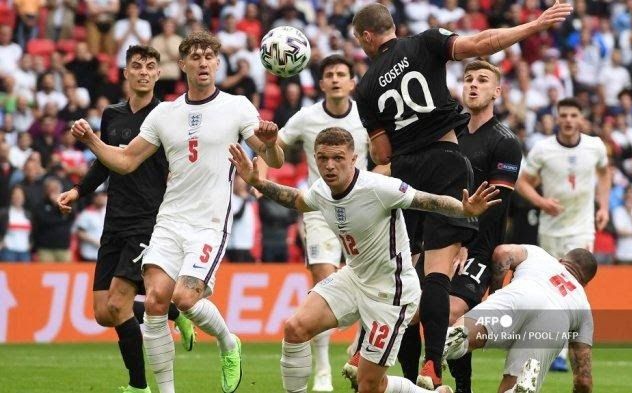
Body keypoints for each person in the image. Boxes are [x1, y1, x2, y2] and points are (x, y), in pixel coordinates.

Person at [351, 1, 573, 388]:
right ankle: (431, 368)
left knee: (408, 279)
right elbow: (483, 42)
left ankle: (377, 358)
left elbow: (382, 154)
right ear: (391, 26)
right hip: (444, 161)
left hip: (404, 174)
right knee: (436, 275)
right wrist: (533, 26)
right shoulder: (425, 42)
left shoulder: (366, 86)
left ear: (366, 36)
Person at [70, 31, 285, 393]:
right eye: (195, 57)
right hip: (169, 220)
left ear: (218, 63)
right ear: (182, 64)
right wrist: (92, 140)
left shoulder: (238, 106)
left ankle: (228, 341)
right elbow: (124, 161)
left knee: (184, 299)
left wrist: (271, 142)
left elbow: (273, 161)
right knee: (155, 303)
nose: (202, 62)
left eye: (209, 56)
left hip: (210, 223)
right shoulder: (166, 114)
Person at [229, 127, 500, 393]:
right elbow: (297, 200)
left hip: (390, 292)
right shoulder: (322, 190)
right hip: (354, 277)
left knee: (369, 385)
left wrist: (464, 210)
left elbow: (427, 201)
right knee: (295, 328)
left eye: (338, 158)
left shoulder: (378, 188)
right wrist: (258, 182)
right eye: (322, 158)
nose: (330, 166)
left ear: (354, 158)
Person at [56, 45, 195, 393]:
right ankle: (174, 314)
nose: (144, 72)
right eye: (137, 66)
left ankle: (138, 386)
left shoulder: (166, 117)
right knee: (104, 312)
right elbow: (104, 160)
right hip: (114, 220)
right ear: (126, 73)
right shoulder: (112, 115)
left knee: (119, 303)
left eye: (151, 66)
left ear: (159, 73)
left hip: (148, 220)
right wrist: (77, 191)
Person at [276, 54, 370, 392]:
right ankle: (323, 370)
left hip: (364, 210)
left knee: (369, 283)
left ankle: (359, 348)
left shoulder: (366, 114)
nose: (334, 79)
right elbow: (276, 148)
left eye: (341, 74)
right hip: (319, 210)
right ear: (321, 83)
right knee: (325, 281)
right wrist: (259, 171)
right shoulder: (305, 118)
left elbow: (384, 158)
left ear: (351, 82)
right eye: (329, 74)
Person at [515, 97, 611, 371]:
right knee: (552, 289)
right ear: (557, 118)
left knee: (574, 288)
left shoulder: (595, 146)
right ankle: (552, 348)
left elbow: (605, 174)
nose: (568, 120)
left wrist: (603, 206)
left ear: (581, 119)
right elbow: (524, 183)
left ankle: (564, 353)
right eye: (564, 115)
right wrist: (541, 202)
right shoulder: (543, 149)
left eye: (573, 115)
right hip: (550, 229)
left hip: (581, 228)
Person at [445, 60, 523, 393]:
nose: (473, 85)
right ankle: (416, 382)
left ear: (497, 91)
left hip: (477, 247)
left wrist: (465, 243)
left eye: (482, 80)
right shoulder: (452, 132)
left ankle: (463, 387)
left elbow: (496, 203)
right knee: (412, 314)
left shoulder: (505, 142)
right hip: (440, 241)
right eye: (468, 79)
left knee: (449, 316)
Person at [443, 244, 596, 393]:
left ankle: (453, 340)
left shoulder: (540, 254)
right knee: (518, 379)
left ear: (561, 260)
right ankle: (518, 387)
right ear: (585, 283)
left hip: (522, 294)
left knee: (466, 333)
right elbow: (584, 381)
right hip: (555, 322)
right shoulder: (584, 307)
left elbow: (502, 252)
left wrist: (495, 292)